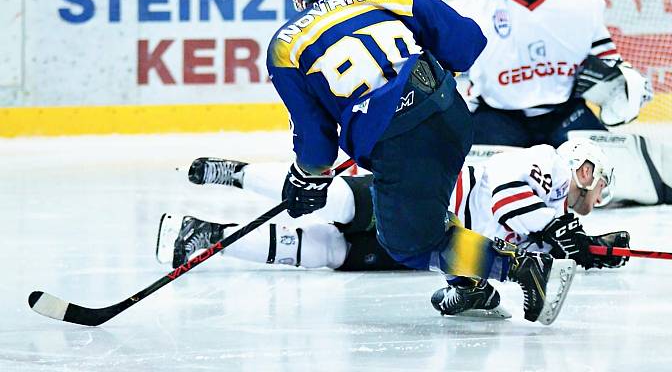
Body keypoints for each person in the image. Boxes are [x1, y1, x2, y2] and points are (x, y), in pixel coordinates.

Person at [252, 0, 577, 325]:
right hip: (452, 115)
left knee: (409, 243)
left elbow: (315, 138)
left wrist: (306, 176)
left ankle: (521, 268)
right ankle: (469, 287)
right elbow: (466, 41)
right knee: (427, 216)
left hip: (401, 143)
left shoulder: (284, 46)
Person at [157, 139, 629, 318]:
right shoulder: (545, 163)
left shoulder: (548, 221)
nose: (592, 203)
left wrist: (589, 249)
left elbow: (510, 243)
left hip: (429, 247)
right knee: (334, 200)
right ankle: (235, 173)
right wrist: (556, 228)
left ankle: (208, 237)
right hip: (425, 199)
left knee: (327, 252)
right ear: (585, 169)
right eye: (596, 186)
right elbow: (502, 203)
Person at [449, 0, 654, 149]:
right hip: (499, 116)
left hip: (564, 113)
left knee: (606, 164)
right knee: (472, 171)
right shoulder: (476, 7)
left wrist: (628, 81)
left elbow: (607, 56)